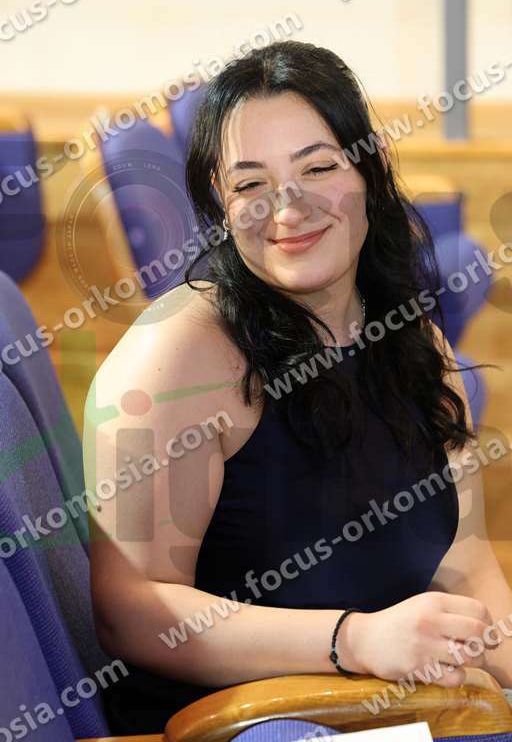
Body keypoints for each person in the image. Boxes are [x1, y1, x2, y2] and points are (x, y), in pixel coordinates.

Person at [85, 41, 512, 735]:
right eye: (251, 184)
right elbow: (129, 609)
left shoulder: (413, 339)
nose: (287, 208)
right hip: (247, 720)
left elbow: (464, 569)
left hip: (395, 711)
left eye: (317, 168)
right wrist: (355, 640)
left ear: (370, 170)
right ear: (220, 202)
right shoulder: (177, 355)